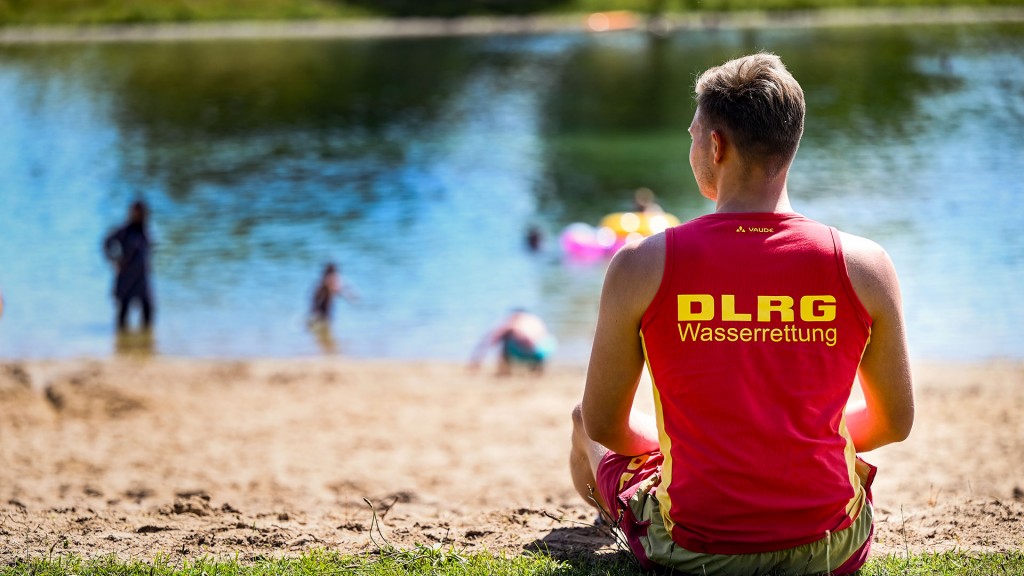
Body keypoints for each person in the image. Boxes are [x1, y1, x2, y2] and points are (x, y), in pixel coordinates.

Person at [569, 52, 914, 575]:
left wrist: (683, 451)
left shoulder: (642, 264)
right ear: (790, 141)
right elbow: (894, 423)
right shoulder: (866, 265)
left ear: (715, 145)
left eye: (691, 137)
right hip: (829, 547)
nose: (692, 149)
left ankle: (613, 525)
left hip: (696, 548)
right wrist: (782, 438)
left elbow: (605, 423)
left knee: (582, 425)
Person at [103, 200, 154, 331]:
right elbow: (107, 242)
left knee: (148, 310)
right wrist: (115, 260)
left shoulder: (145, 231)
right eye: (136, 212)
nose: (139, 215)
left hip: (141, 279)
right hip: (126, 278)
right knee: (123, 314)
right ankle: (121, 345)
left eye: (141, 212)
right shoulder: (125, 230)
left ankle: (146, 344)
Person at [469, 309, 557, 376]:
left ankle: (504, 371)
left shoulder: (514, 321)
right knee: (540, 341)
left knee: (507, 338)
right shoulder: (535, 320)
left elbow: (489, 340)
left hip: (526, 351)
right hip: (544, 350)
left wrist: (476, 360)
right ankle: (537, 368)